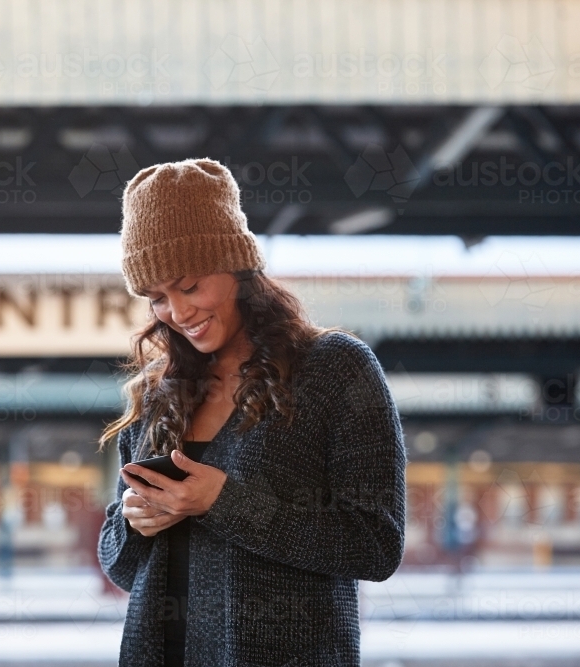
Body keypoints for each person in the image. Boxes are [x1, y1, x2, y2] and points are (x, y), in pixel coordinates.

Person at [96, 158, 406, 667]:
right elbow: (125, 568)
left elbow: (375, 546)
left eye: (190, 285)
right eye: (157, 298)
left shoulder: (335, 370)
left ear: (237, 266)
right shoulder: (160, 394)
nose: (178, 313)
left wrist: (224, 502)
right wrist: (134, 525)